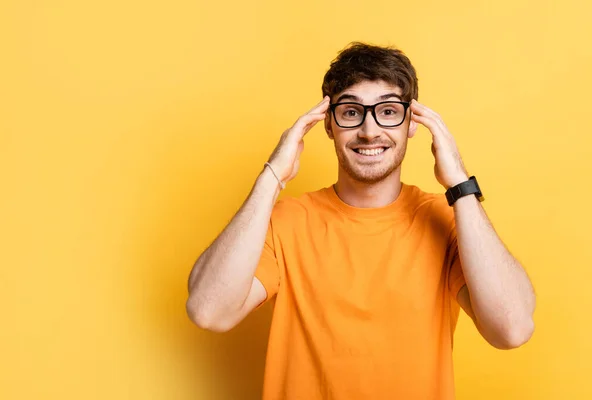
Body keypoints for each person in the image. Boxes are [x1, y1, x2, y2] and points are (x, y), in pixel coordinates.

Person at [186, 42, 536, 400]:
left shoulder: (447, 222)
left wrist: (459, 182)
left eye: (387, 111)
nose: (370, 131)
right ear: (328, 123)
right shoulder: (285, 222)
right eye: (352, 112)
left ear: (412, 122)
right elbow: (209, 311)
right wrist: (272, 175)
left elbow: (512, 329)